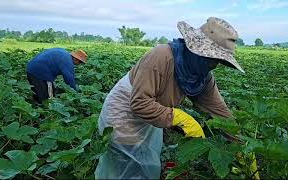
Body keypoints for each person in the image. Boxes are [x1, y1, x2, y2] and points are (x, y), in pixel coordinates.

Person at [95, 17, 244, 179]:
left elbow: (221, 113)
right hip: (123, 112)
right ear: (195, 49)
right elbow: (139, 103)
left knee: (148, 163)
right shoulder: (162, 56)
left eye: (218, 61)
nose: (214, 64)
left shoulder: (202, 77)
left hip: (153, 112)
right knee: (126, 163)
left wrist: (241, 145)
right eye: (211, 58)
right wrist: (181, 118)